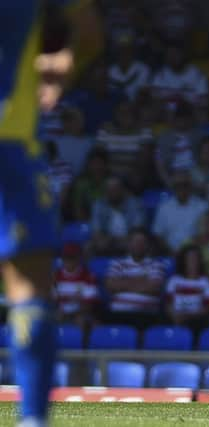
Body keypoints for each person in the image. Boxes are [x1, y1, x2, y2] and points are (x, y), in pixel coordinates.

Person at [0, 2, 99, 425]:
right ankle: (34, 418)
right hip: (11, 142)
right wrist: (58, 67)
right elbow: (90, 35)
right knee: (30, 288)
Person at [104, 228, 166, 329]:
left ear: (148, 245)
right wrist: (143, 281)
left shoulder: (156, 264)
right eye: (135, 241)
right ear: (129, 244)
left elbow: (154, 287)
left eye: (142, 242)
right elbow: (110, 285)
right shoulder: (117, 263)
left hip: (146, 314)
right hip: (118, 314)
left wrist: (123, 283)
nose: (138, 245)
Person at [165, 245, 209, 333]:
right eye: (189, 258)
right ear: (183, 260)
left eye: (195, 258)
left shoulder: (207, 282)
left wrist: (187, 316)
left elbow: (208, 308)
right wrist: (174, 315)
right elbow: (168, 304)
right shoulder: (173, 281)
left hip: (196, 320)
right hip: (175, 318)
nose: (192, 261)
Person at [152, 171, 208, 253]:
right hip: (170, 254)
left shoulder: (202, 207)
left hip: (195, 254)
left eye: (185, 185)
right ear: (173, 187)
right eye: (177, 185)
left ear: (190, 186)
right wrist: (171, 253)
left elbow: (205, 234)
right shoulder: (164, 208)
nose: (181, 188)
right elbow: (158, 235)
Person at [89, 176, 146, 255]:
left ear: (122, 189)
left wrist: (125, 240)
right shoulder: (99, 205)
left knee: (136, 244)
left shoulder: (134, 203)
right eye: (109, 190)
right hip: (107, 240)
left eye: (115, 189)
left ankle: (132, 266)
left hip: (128, 239)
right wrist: (104, 239)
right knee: (89, 247)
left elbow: (137, 228)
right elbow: (96, 229)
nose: (112, 192)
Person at [52, 243, 100, 332]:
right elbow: (51, 300)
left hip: (81, 313)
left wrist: (71, 313)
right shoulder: (55, 276)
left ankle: (82, 346)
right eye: (66, 257)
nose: (68, 261)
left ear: (78, 258)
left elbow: (90, 304)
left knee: (82, 321)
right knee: (51, 319)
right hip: (60, 312)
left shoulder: (88, 276)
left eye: (72, 257)